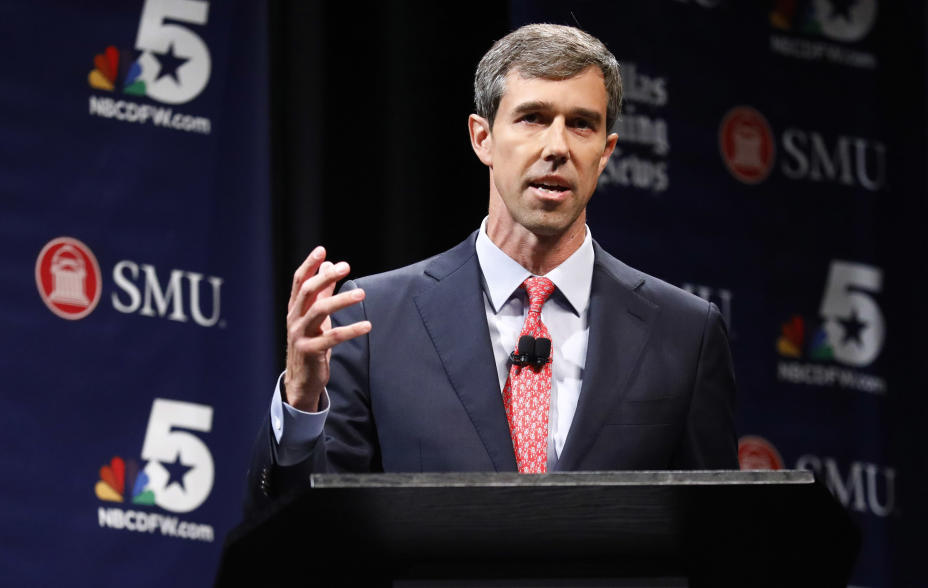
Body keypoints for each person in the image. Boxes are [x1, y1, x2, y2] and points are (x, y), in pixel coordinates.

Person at [246, 23, 737, 513]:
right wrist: (302, 401)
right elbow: (306, 535)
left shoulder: (685, 333)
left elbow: (716, 535)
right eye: (532, 118)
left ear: (605, 152)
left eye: (581, 124)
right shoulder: (373, 321)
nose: (557, 147)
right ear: (482, 138)